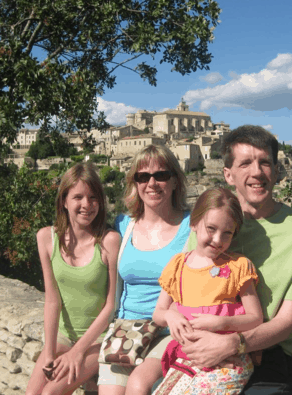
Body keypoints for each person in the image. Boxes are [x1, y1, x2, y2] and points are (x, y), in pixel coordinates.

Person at [181, 125, 292, 395]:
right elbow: (185, 293)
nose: (257, 172)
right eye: (245, 163)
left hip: (265, 358)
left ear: (277, 171)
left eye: (265, 163)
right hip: (199, 345)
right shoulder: (208, 225)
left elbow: (285, 324)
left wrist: (232, 344)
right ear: (228, 174)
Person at [99, 145, 191, 395]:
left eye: (160, 175)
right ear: (135, 184)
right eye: (143, 177)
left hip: (169, 331)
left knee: (138, 387)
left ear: (174, 181)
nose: (152, 183)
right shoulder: (123, 225)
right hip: (126, 331)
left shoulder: (192, 227)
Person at [152, 187, 263, 394]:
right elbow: (158, 313)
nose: (218, 240)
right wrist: (170, 316)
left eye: (227, 233)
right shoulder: (177, 265)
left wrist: (223, 322)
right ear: (194, 222)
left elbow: (256, 318)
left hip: (227, 358)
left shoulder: (238, 266)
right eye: (211, 228)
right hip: (190, 356)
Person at [26, 162, 120, 395]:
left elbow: (111, 306)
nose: (86, 205)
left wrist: (78, 351)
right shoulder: (46, 239)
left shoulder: (109, 241)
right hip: (63, 335)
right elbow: (52, 301)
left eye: (93, 197)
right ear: (64, 201)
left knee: (51, 393)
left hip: (97, 340)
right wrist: (49, 352)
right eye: (78, 197)